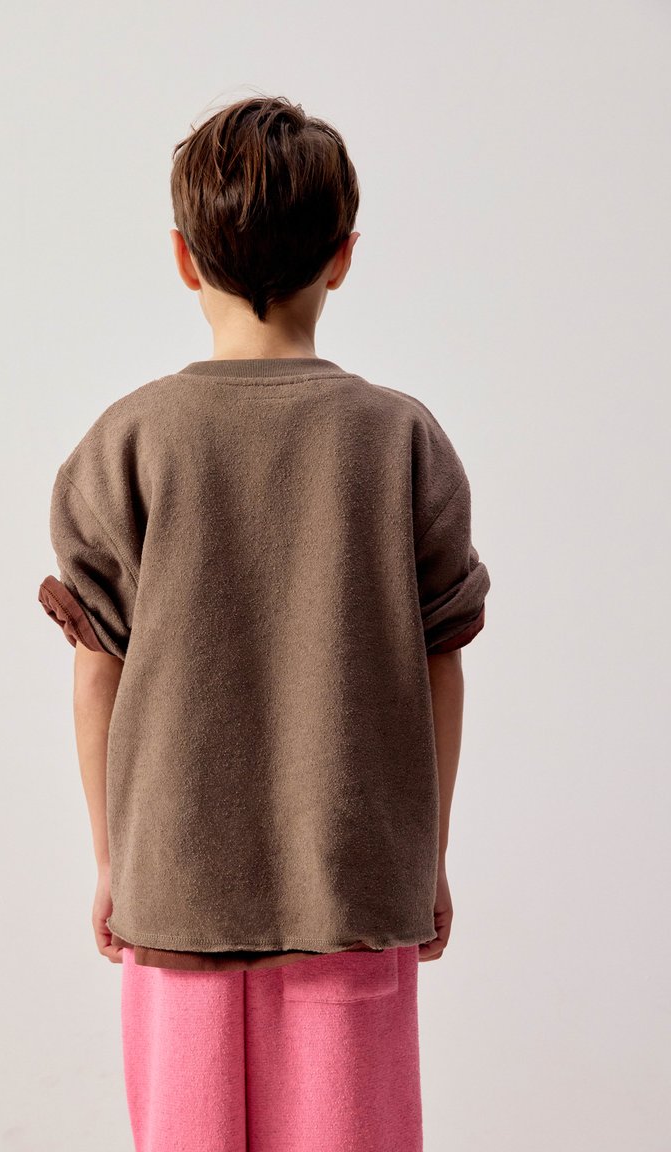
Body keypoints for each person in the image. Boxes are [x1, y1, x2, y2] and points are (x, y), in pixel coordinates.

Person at [38, 94, 491, 1152]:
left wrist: (113, 860)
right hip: (350, 890)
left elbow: (97, 672)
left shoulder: (128, 441)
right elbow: (440, 665)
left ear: (182, 258)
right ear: (342, 257)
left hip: (175, 889)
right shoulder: (400, 440)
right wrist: (424, 859)